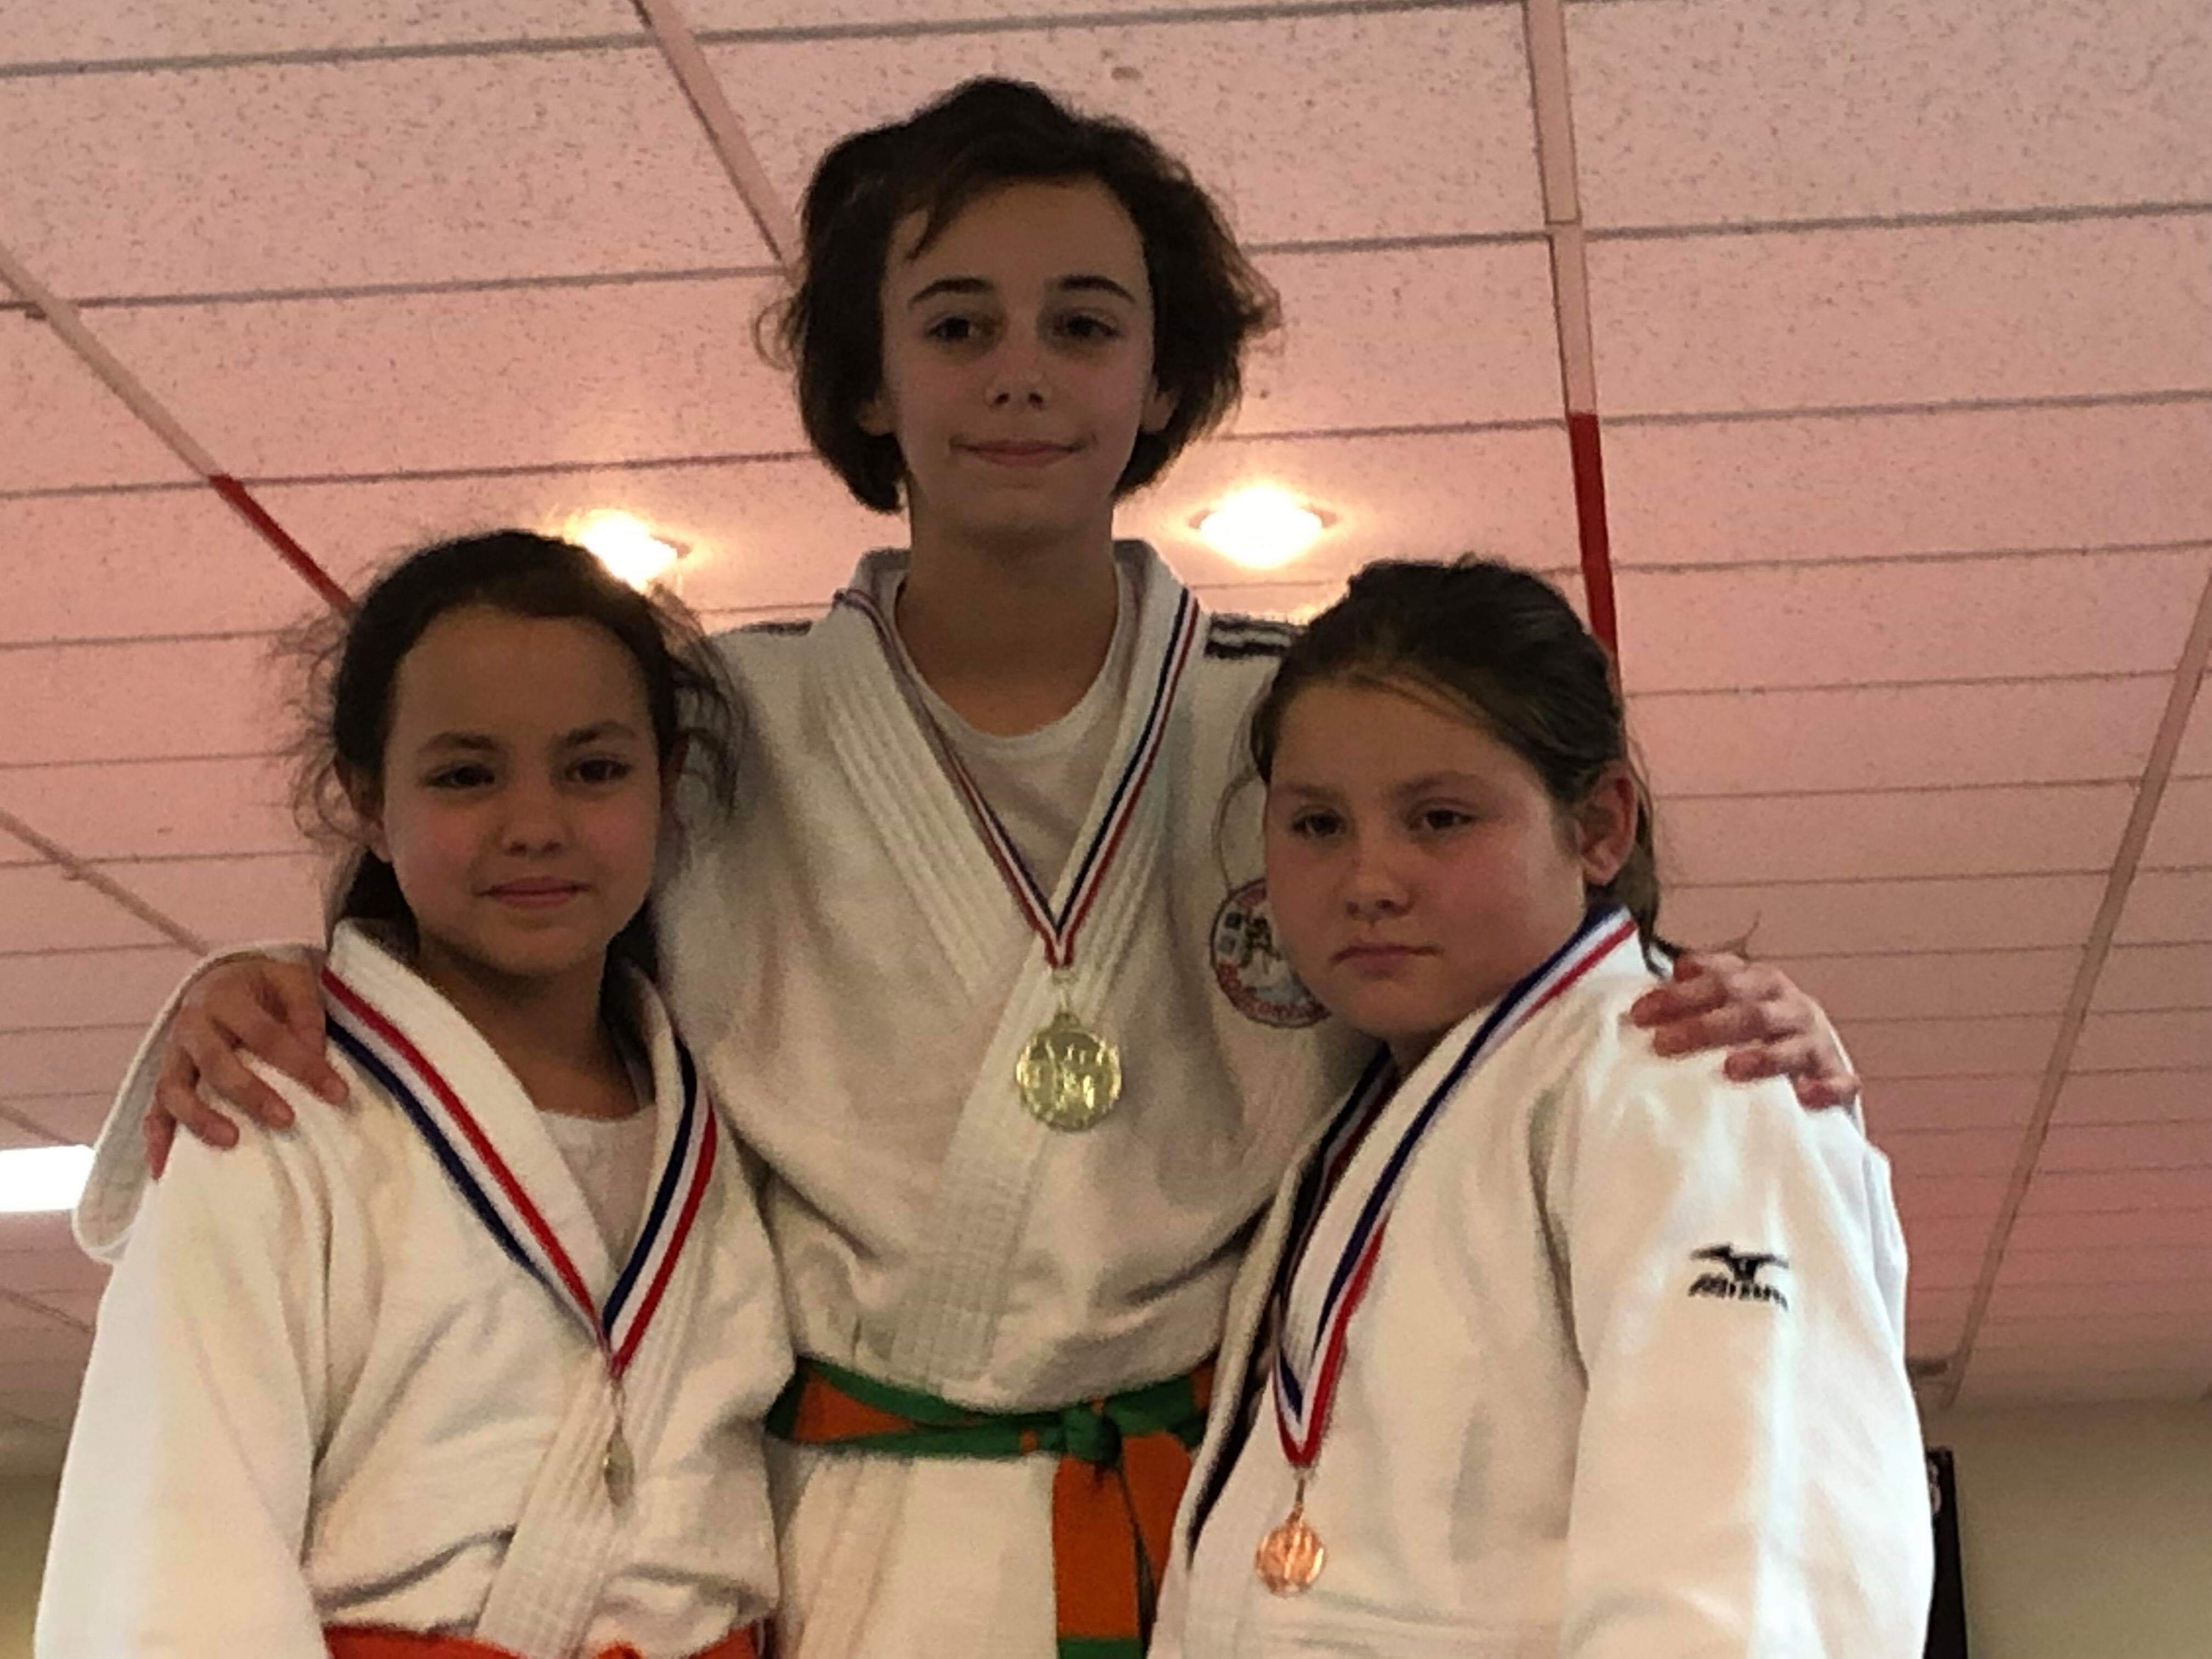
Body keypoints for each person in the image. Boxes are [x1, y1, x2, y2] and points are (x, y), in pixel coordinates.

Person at [75, 81, 1859, 1659]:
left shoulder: (1287, 727)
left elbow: (1504, 975)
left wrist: (1684, 1000)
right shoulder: (724, 728)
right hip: (860, 1537)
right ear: (870, 376)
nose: (1021, 371)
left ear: (1162, 375)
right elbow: (515, 916)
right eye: (956, 323)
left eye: (1084, 324)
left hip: (1225, 1506)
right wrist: (278, 982)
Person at [1154, 558, 1930, 1656]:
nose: (1370, 879)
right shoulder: (1364, 1115)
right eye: (1318, 825)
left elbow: (1741, 1571)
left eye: (1439, 818)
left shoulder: (1693, 1078)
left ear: (1600, 826)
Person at [40, 534, 788, 1659]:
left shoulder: (730, 1119)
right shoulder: (274, 1120)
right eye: (465, 776)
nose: (535, 824)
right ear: (368, 803)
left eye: (593, 769)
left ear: (666, 782)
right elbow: (175, 1557)